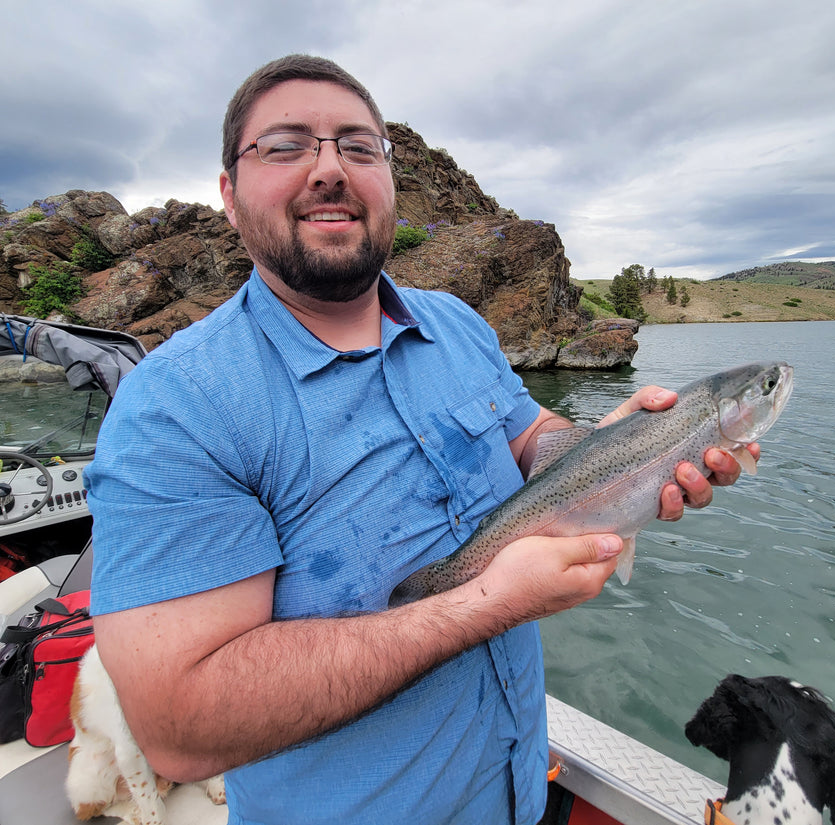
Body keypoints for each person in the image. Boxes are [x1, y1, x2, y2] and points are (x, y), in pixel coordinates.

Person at [85, 54, 757, 825]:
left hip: (520, 796)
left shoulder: (458, 325)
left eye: (359, 147)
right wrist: (485, 603)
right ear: (230, 198)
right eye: (286, 145)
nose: (329, 169)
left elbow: (533, 442)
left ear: (390, 185)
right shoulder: (175, 408)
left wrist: (618, 447)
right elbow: (179, 725)